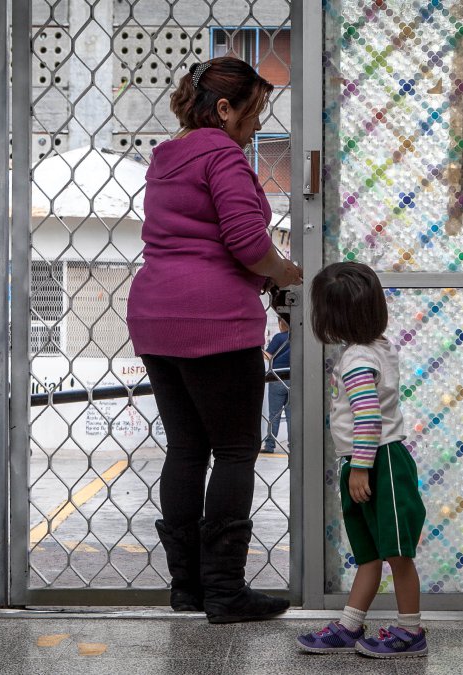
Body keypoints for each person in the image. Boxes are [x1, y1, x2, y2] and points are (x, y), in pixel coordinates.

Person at [126, 56, 303, 624]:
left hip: (155, 316)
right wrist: (283, 272)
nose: (256, 126)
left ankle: (188, 589)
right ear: (223, 109)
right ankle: (225, 591)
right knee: (232, 450)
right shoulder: (222, 153)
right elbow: (248, 242)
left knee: (185, 449)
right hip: (214, 318)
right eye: (253, 113)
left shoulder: (164, 157)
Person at [297, 262, 428, 659]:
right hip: (373, 461)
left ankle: (411, 631)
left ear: (332, 316)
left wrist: (359, 466)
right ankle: (351, 624)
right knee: (370, 552)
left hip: (378, 462)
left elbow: (368, 417)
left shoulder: (357, 359)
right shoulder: (377, 347)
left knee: (396, 553)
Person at [262, 317, 290, 454]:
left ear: (281, 323)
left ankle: (269, 445)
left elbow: (266, 356)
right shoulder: (298, 338)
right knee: (292, 415)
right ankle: (294, 446)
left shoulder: (279, 337)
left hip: (277, 377)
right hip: (293, 377)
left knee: (274, 414)